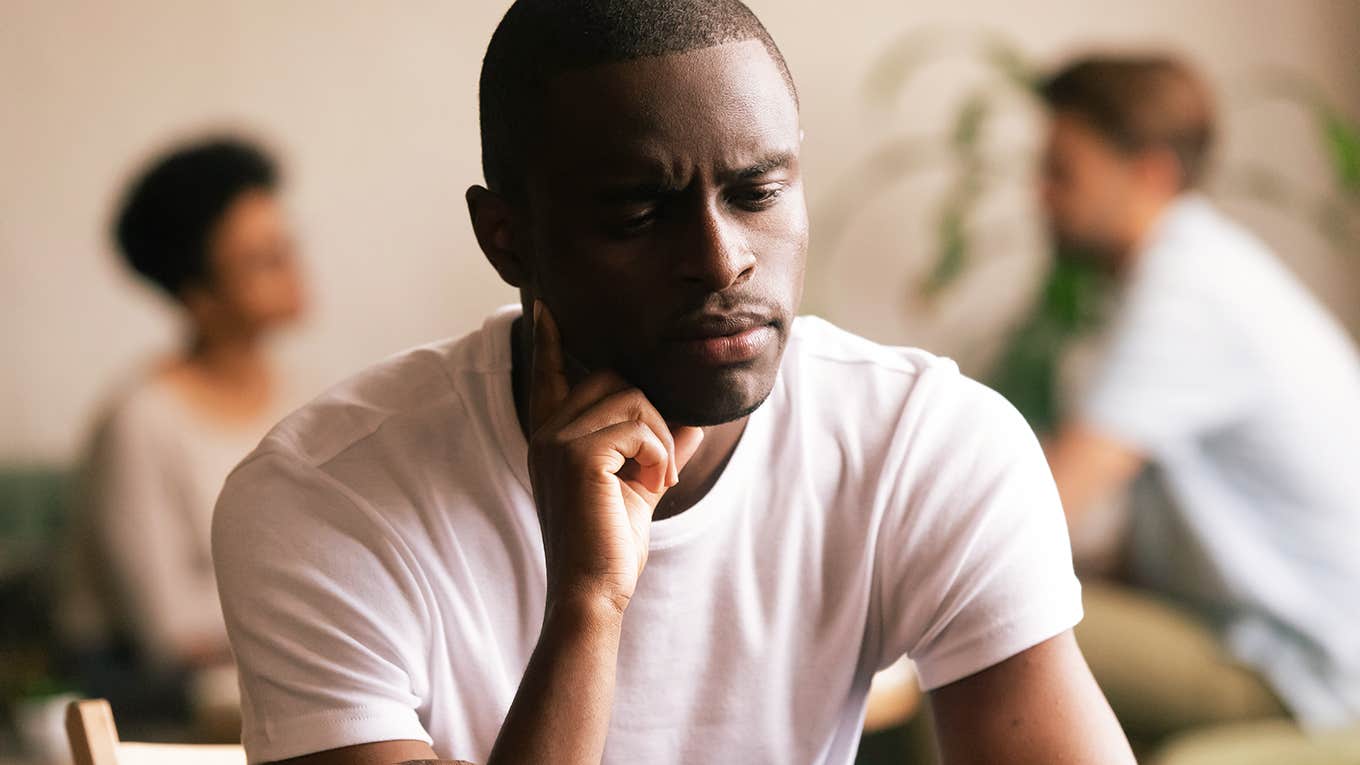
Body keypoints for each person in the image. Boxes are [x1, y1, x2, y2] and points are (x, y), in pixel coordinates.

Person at [212, 3, 1134, 763]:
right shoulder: (325, 497)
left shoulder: (921, 444)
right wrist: (587, 605)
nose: (723, 260)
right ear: (507, 240)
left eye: (757, 193)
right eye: (639, 213)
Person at [1038, 55, 1360, 760]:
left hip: (1305, 667)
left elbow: (1047, 507)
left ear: (1150, 174)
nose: (1042, 194)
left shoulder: (1187, 293)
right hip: (1269, 635)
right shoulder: (1200, 268)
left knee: (985, 628)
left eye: (1064, 171)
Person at [60, 137, 306, 724]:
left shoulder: (303, 399)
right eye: (263, 259)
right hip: (160, 699)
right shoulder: (140, 422)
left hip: (272, 665)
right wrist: (318, 603)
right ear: (199, 295)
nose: (293, 270)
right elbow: (166, 629)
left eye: (288, 248)